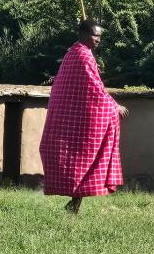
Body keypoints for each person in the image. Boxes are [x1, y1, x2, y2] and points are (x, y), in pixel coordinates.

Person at [40, 19, 129, 214]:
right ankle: (74, 204)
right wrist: (115, 107)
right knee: (82, 157)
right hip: (75, 121)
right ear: (81, 34)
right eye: (93, 35)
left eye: (99, 36)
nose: (97, 40)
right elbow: (95, 89)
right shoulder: (82, 56)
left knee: (80, 159)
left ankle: (74, 204)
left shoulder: (75, 52)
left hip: (71, 120)